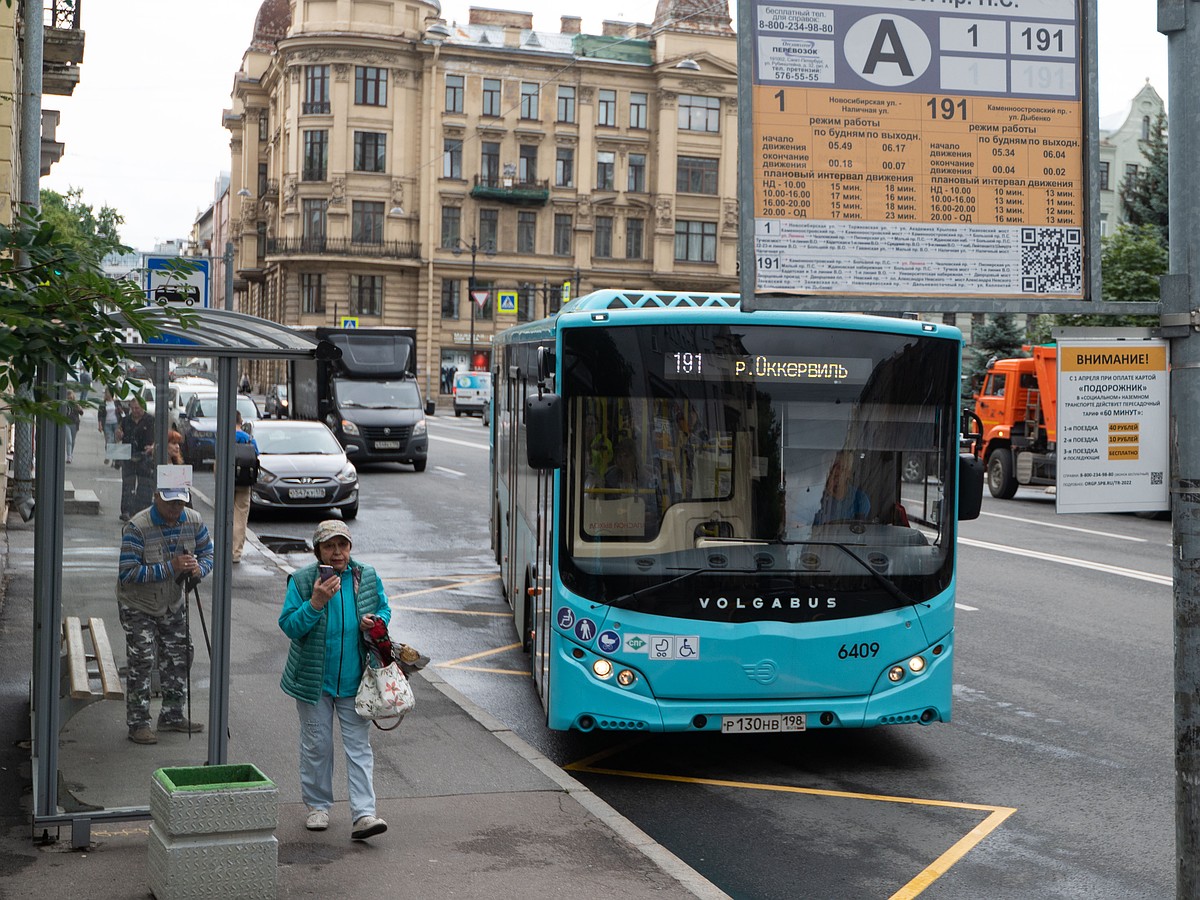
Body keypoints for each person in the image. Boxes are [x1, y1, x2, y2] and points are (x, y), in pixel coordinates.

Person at [279, 519, 391, 841]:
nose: (337, 552)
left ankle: (364, 814)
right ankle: (317, 807)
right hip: (313, 682)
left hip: (355, 680)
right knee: (317, 746)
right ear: (318, 551)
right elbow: (289, 626)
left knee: (359, 748)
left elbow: (383, 608)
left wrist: (376, 621)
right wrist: (315, 603)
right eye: (329, 546)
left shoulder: (365, 575)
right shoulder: (302, 581)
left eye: (342, 545)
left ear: (350, 547)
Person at [117, 485, 214, 745]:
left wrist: (198, 569)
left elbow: (208, 553)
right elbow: (128, 573)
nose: (175, 509)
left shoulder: (193, 521)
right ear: (156, 496)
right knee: (142, 659)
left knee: (182, 652)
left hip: (171, 601)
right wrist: (170, 567)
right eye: (170, 503)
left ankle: (172, 714)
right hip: (138, 604)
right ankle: (138, 722)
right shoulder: (137, 527)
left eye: (180, 504)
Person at [116, 395, 156, 521]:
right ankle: (126, 511)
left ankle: (141, 511)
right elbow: (117, 438)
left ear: (142, 407)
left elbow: (159, 438)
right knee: (128, 484)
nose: (135, 411)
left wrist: (153, 447)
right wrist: (118, 435)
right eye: (132, 408)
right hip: (128, 454)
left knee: (145, 484)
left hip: (145, 455)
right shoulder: (126, 420)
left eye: (137, 408)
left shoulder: (150, 420)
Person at [813, 451, 871, 525]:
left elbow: (858, 531)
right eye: (830, 466)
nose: (833, 472)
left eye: (839, 467)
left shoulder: (860, 501)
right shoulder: (812, 497)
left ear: (848, 473)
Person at [232, 411, 259, 563]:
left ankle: (224, 549)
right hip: (244, 480)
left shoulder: (224, 435)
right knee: (240, 517)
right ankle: (236, 553)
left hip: (226, 481)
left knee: (225, 515)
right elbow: (256, 455)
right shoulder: (248, 438)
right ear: (240, 421)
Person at [98, 389, 123, 463]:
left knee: (115, 441)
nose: (108, 395)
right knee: (109, 440)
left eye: (110, 393)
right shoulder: (103, 403)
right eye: (107, 393)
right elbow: (100, 415)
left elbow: (122, 412)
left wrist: (120, 410)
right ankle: (108, 456)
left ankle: (114, 460)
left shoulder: (117, 402)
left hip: (116, 423)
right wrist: (100, 425)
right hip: (107, 424)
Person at [64, 390, 82, 464]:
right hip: (66, 423)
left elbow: (81, 413)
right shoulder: (64, 404)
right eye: (68, 397)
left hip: (74, 424)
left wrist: (79, 408)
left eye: (70, 397)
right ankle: (69, 456)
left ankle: (71, 454)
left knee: (73, 441)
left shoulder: (75, 404)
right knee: (69, 440)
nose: (69, 399)